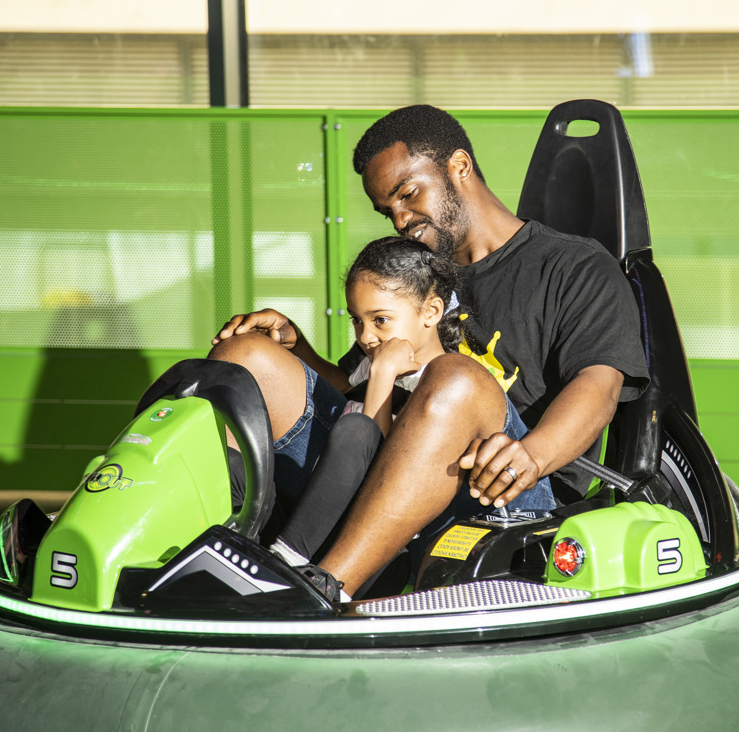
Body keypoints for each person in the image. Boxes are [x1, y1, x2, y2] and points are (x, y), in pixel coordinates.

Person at [211, 104, 649, 596]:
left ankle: (323, 590)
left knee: (455, 376)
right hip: (386, 471)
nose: (400, 219)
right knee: (246, 358)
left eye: (407, 194)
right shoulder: (416, 272)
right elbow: (366, 389)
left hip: (503, 492)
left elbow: (599, 386)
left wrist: (531, 455)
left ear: (459, 166)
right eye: (387, 210)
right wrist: (302, 353)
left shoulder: (574, 267)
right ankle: (212, 559)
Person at [268, 235, 552, 572]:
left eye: (380, 320)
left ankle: (301, 565)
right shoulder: (373, 364)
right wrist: (299, 347)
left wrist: (383, 375)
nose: (365, 336)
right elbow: (343, 391)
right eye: (357, 320)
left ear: (431, 311)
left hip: (462, 529)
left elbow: (375, 465)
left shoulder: (445, 388)